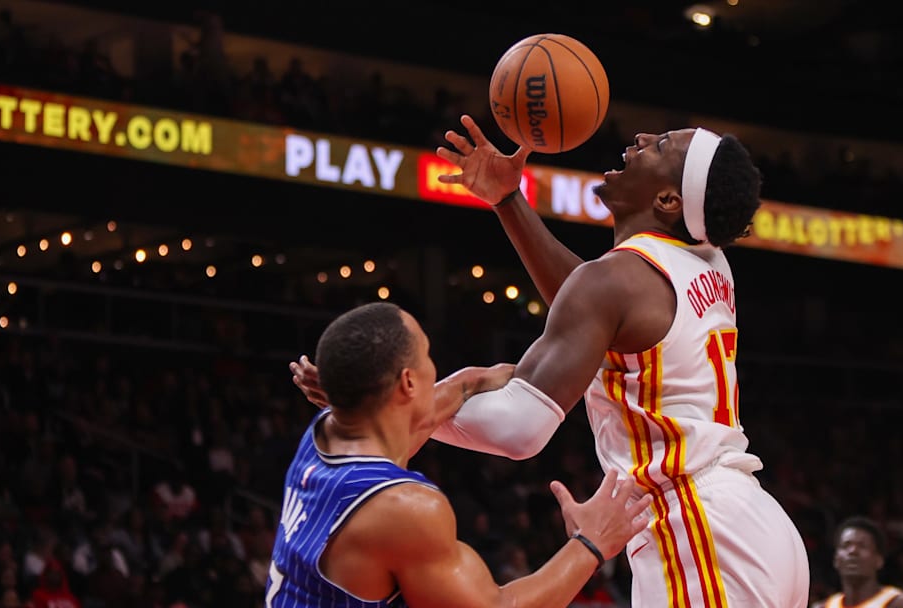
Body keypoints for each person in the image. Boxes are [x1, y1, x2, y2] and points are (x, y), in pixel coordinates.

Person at [292, 115, 809, 606]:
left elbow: (520, 429)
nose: (642, 136)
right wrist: (507, 200)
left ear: (669, 198)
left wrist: (395, 408)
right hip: (752, 523)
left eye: (660, 145)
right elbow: (587, 304)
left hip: (697, 529)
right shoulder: (703, 261)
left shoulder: (618, 281)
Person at [268, 302, 653, 608]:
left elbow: (444, 397)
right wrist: (591, 544)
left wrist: (487, 380)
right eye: (427, 355)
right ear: (407, 383)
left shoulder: (326, 431)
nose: (434, 367)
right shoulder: (404, 509)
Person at [813, 517, 903, 608]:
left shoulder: (901, 605)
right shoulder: (823, 606)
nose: (853, 551)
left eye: (862, 546)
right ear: (836, 559)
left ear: (879, 560)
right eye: (846, 545)